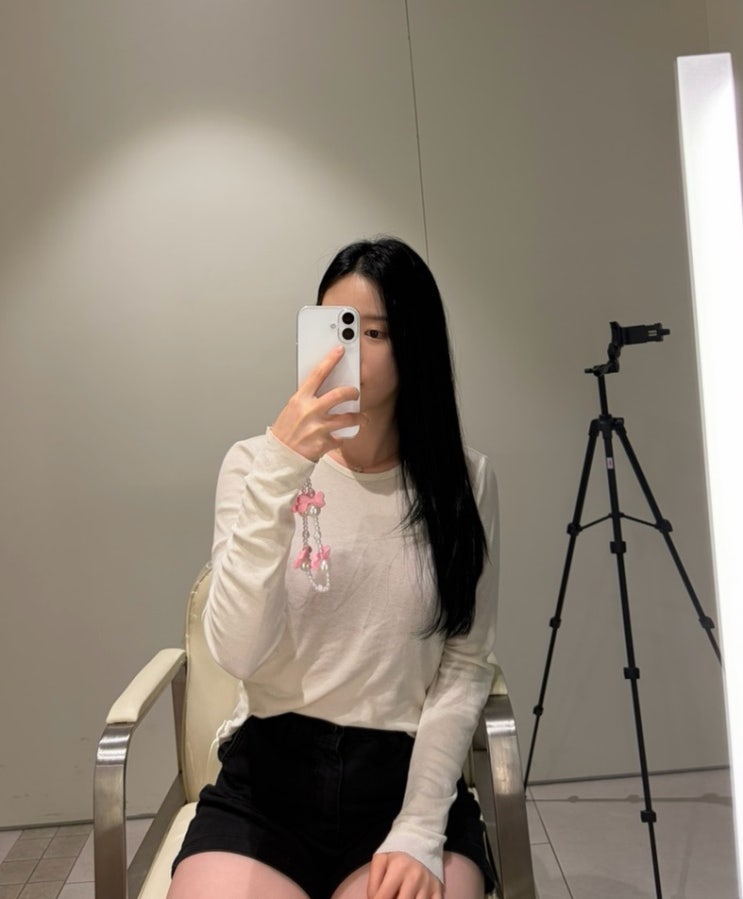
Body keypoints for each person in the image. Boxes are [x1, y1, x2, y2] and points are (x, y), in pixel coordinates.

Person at [167, 237, 499, 899]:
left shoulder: (464, 481)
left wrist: (418, 824)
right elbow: (236, 652)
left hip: (403, 777)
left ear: (415, 344)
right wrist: (283, 467)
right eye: (335, 326)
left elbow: (465, 663)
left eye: (373, 331)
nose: (348, 349)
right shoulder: (253, 464)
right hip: (269, 778)